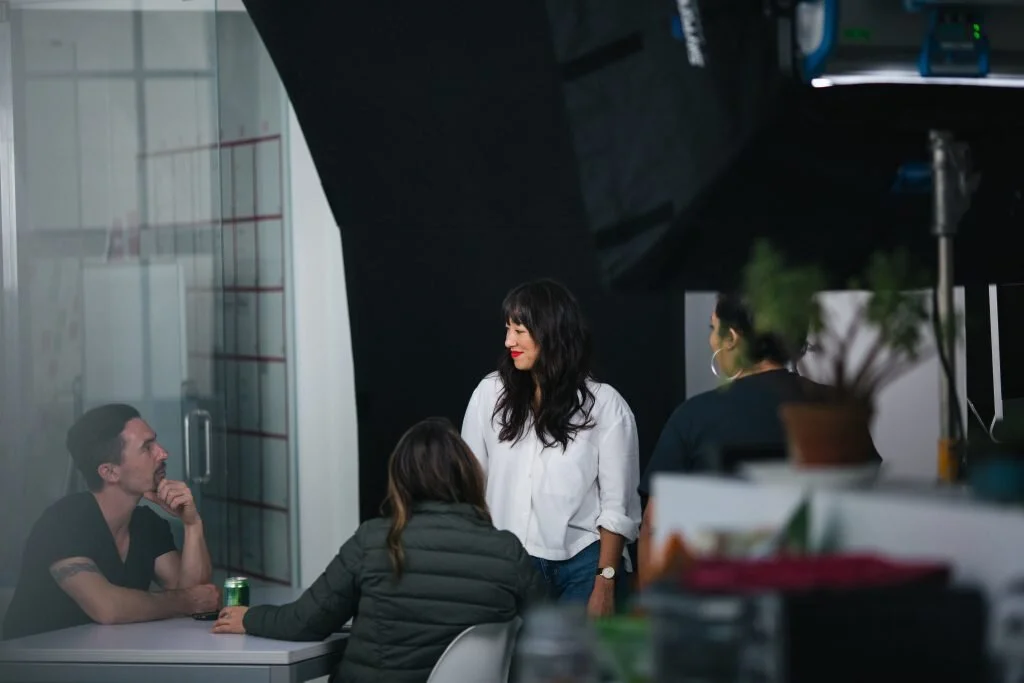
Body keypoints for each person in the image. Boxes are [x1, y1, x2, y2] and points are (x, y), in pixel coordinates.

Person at [212, 418, 546, 683]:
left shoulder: (375, 540)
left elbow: (305, 621)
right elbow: (549, 630)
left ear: (401, 479)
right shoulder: (508, 552)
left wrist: (249, 617)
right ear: (469, 476)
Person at [636, 294, 881, 583]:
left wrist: (650, 600)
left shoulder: (693, 417)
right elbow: (870, 497)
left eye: (713, 328)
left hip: (725, 589)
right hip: (824, 586)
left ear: (731, 338)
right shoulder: (836, 409)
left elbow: (655, 524)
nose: (711, 340)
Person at [461, 279, 642, 616]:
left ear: (551, 333)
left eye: (519, 331)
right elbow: (469, 486)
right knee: (515, 652)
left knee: (574, 653)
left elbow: (618, 505)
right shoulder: (489, 394)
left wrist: (605, 582)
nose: (508, 341)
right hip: (509, 563)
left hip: (583, 564)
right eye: (507, 329)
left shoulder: (606, 405)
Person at [2, 404, 218, 640]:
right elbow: (107, 607)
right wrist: (184, 601)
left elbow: (198, 596)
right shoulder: (64, 522)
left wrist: (192, 523)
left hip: (103, 654)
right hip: (35, 658)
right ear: (110, 472)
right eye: (147, 448)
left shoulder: (146, 523)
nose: (163, 453)